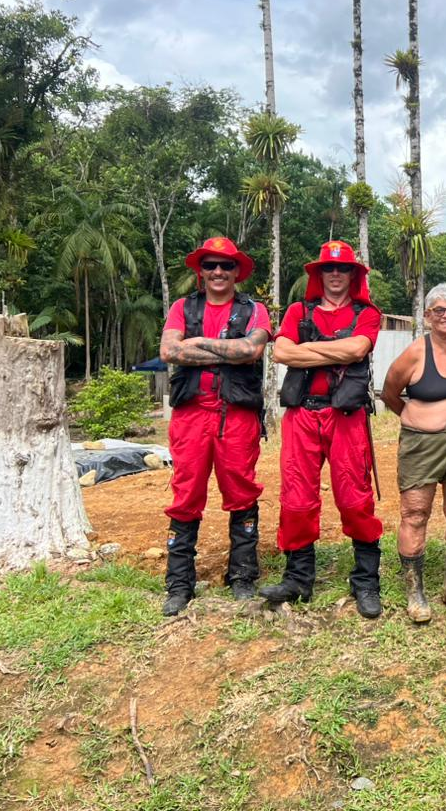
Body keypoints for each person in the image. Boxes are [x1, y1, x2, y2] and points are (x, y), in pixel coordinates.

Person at [259, 240, 385, 619]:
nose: (335, 274)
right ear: (319, 274)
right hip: (302, 415)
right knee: (296, 497)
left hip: (346, 416)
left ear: (353, 275)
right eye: (328, 268)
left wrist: (309, 350)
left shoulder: (367, 313)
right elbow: (282, 352)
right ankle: (298, 579)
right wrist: (336, 350)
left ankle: (366, 581)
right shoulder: (298, 311)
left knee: (354, 497)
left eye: (343, 268)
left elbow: (357, 351)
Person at [158, 237, 271, 616]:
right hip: (191, 414)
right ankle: (179, 583)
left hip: (236, 414)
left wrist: (198, 344)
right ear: (200, 271)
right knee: (186, 492)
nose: (218, 272)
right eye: (210, 265)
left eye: (226, 265)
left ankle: (242, 575)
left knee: (242, 489)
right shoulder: (182, 308)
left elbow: (251, 350)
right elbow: (169, 351)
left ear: (237, 271)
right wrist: (227, 350)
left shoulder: (254, 310)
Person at [381, 283, 446, 622]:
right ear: (427, 316)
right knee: (415, 512)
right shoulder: (415, 352)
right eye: (439, 310)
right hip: (421, 445)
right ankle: (416, 591)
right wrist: (418, 418)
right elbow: (390, 392)